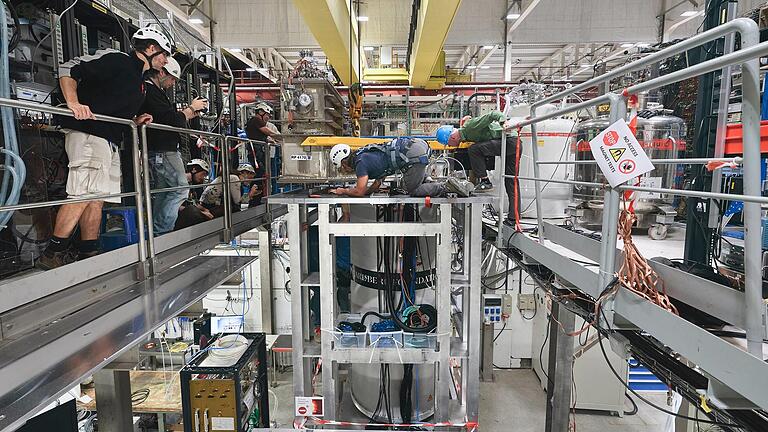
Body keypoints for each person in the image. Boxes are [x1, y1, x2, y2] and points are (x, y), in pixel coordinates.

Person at [37, 26, 172, 270]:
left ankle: (88, 250)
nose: (165, 60)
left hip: (109, 140)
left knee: (98, 198)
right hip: (89, 133)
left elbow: (113, 105)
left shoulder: (139, 80)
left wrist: (134, 121)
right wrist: (73, 103)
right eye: (164, 54)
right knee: (83, 193)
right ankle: (52, 252)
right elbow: (69, 68)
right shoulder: (118, 60)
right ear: (151, 49)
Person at [140, 56, 209, 234]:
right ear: (162, 72)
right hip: (163, 149)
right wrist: (190, 109)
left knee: (165, 191)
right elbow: (171, 120)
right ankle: (162, 231)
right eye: (172, 79)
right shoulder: (150, 91)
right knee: (180, 189)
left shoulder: (154, 91)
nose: (172, 84)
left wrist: (186, 114)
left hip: (160, 149)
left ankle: (158, 231)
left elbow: (167, 117)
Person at [436, 110, 519, 224]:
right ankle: (513, 218)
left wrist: (504, 122)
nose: (450, 146)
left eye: (449, 143)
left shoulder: (469, 126)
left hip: (509, 141)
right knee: (511, 181)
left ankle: (485, 181)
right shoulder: (466, 132)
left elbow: (492, 114)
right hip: (513, 143)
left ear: (452, 137)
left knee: (474, 149)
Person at [329, 138, 471, 197]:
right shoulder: (364, 155)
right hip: (418, 149)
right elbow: (376, 184)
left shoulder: (360, 163)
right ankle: (435, 182)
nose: (345, 170)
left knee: (412, 190)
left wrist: (344, 190)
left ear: (343, 162)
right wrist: (368, 192)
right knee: (410, 182)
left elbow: (359, 191)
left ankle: (446, 186)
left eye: (342, 168)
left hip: (414, 157)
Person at [245, 102, 280, 198]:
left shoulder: (254, 122)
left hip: (259, 151)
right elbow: (267, 131)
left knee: (262, 174)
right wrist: (282, 138)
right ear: (260, 112)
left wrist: (273, 141)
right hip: (256, 152)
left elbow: (263, 136)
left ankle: (258, 197)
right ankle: (254, 198)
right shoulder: (256, 120)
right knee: (260, 174)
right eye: (267, 115)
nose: (268, 117)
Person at [175, 159, 214, 230]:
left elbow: (194, 203)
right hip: (177, 217)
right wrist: (202, 212)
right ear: (194, 170)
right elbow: (175, 207)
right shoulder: (180, 183)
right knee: (193, 211)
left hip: (187, 214)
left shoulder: (192, 186)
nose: (203, 178)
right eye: (202, 174)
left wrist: (206, 210)